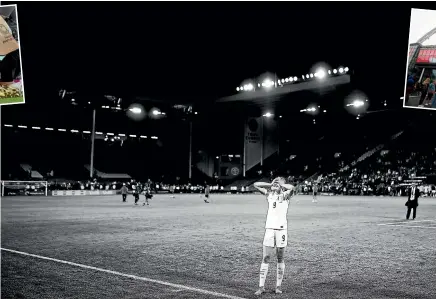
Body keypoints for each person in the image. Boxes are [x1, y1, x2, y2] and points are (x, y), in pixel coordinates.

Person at [253, 177, 295, 296]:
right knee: (266, 257)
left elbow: (292, 188)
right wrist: (270, 184)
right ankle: (261, 287)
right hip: (269, 229)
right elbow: (256, 184)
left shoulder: (286, 195)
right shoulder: (269, 194)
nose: (276, 181)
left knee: (280, 258)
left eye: (278, 180)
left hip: (281, 230)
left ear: (283, 184)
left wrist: (281, 186)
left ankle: (278, 286)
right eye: (274, 180)